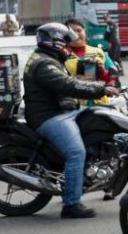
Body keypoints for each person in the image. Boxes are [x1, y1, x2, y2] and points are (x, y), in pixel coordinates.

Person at [22, 23, 118, 218]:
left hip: (63, 109)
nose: (68, 46)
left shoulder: (49, 58)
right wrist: (101, 88)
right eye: (65, 42)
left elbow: (70, 82)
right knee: (76, 152)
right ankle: (71, 205)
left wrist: (98, 81)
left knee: (103, 115)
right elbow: (67, 84)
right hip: (50, 116)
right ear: (55, 42)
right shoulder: (44, 64)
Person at [63, 18, 119, 106]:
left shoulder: (99, 52)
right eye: (72, 32)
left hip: (101, 105)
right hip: (74, 106)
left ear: (84, 31)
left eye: (79, 30)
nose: (76, 34)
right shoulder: (61, 54)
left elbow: (113, 79)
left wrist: (102, 71)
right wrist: (75, 79)